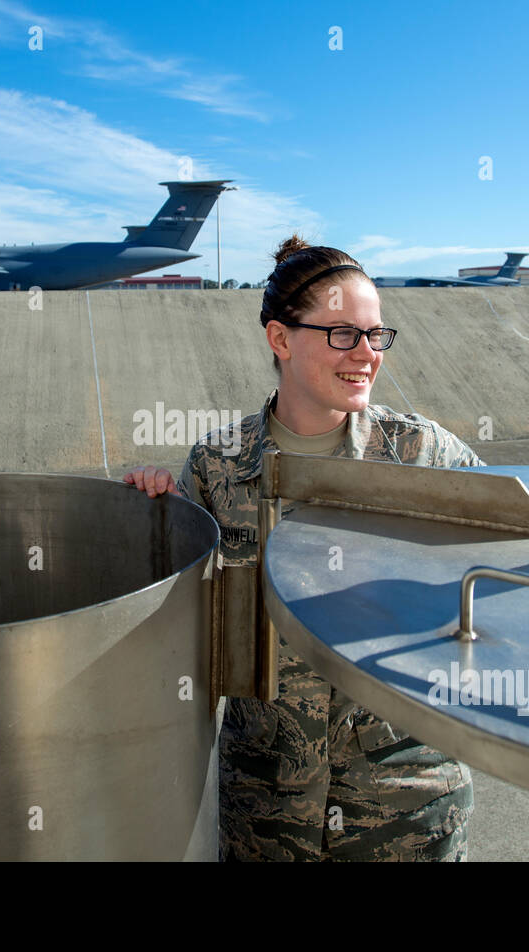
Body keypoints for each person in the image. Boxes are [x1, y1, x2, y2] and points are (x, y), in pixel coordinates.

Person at [124, 235, 483, 861]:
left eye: (376, 335)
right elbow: (170, 616)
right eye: (342, 334)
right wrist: (147, 513)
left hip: (402, 805)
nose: (367, 354)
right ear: (280, 338)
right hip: (265, 809)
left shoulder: (423, 456)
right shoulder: (216, 466)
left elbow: (520, 550)